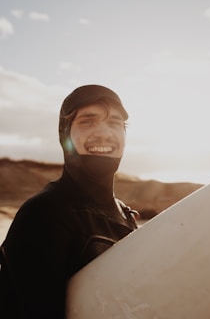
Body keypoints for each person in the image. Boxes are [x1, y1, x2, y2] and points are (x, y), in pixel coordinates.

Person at [0, 84, 138, 319]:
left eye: (115, 122)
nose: (104, 132)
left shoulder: (124, 215)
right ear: (65, 134)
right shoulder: (44, 214)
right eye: (87, 121)